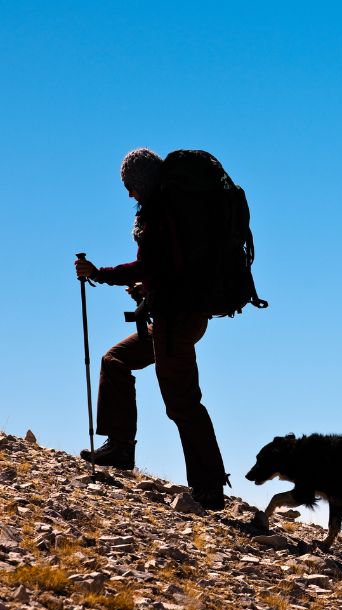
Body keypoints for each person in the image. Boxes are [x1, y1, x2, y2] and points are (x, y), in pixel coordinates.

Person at [75, 148, 228, 510]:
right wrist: (150, 288)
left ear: (142, 182)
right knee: (115, 360)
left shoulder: (161, 214)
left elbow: (147, 265)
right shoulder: (169, 213)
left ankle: (209, 489)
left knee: (183, 404)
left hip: (175, 321)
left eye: (131, 186)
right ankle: (120, 448)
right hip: (178, 317)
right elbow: (168, 267)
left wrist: (99, 274)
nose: (130, 194)